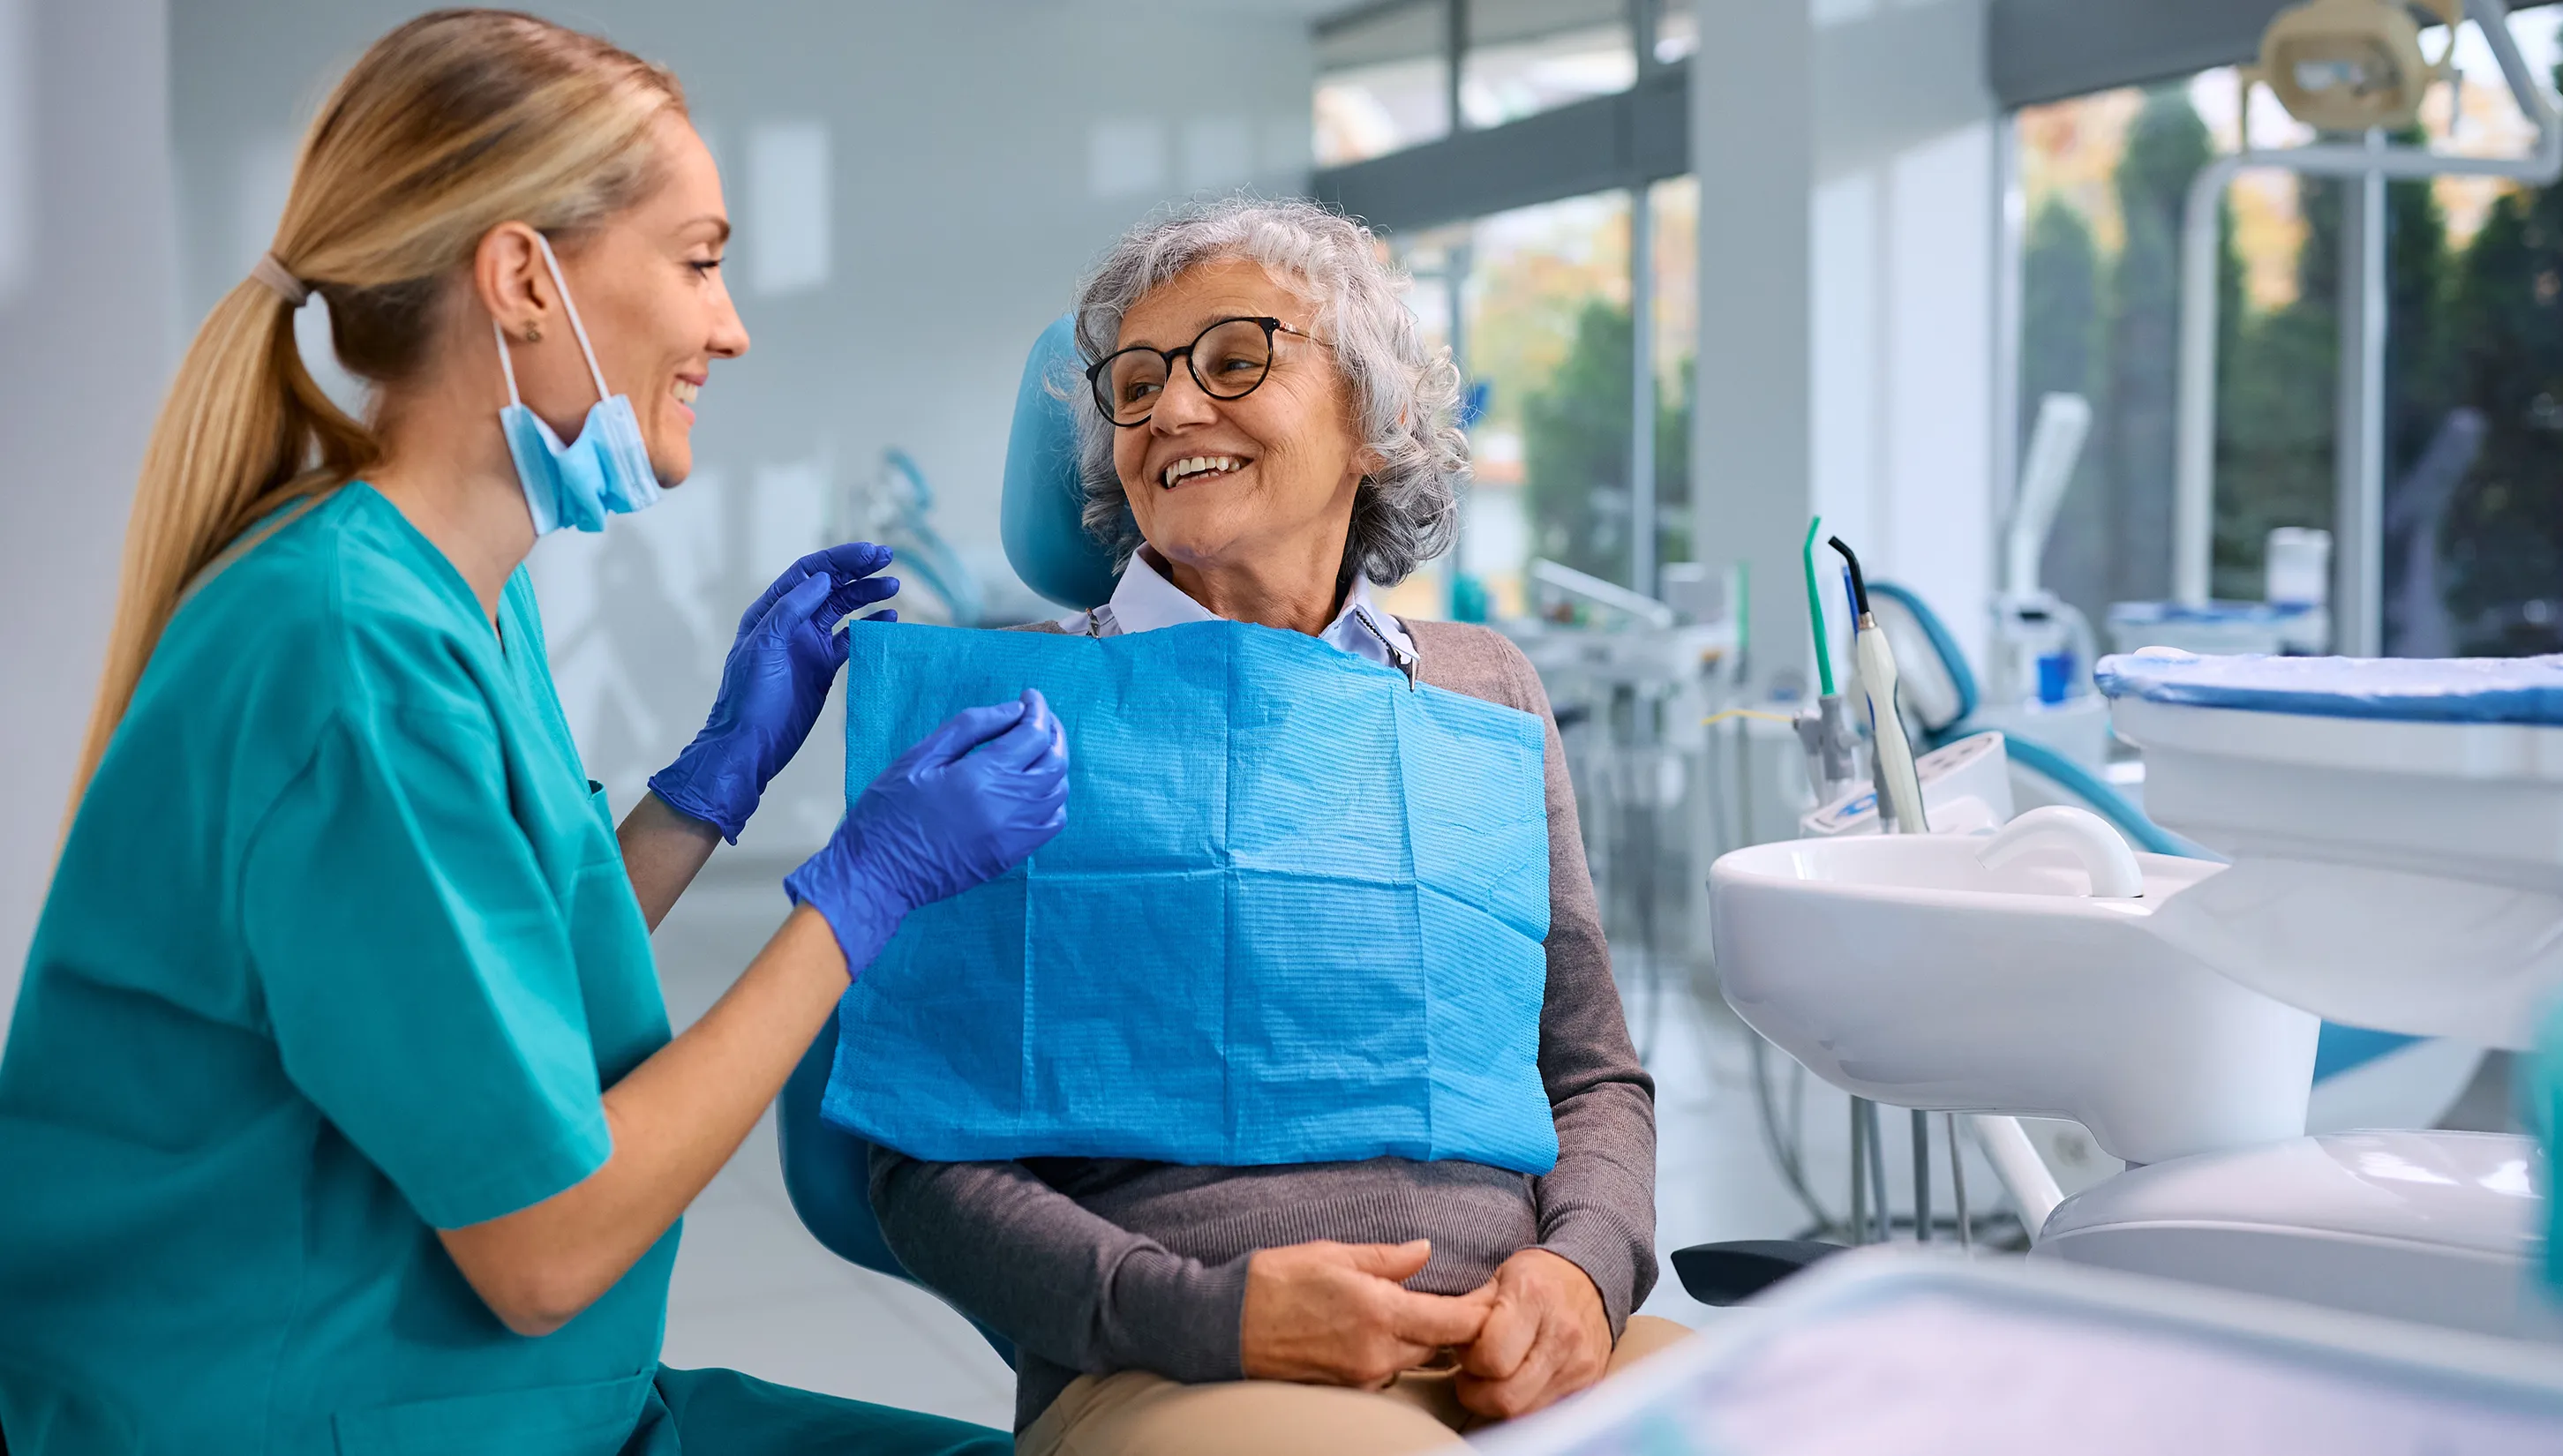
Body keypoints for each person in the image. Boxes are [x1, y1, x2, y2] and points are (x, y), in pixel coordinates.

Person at [0, 12, 1064, 1454]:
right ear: (521, 279)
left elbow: (478, 1004)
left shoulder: (439, 596)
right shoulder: (348, 650)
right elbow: (550, 1247)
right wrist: (861, 892)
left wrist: (707, 788)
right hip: (304, 1413)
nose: (730, 323)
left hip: (472, 1398)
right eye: (698, 260)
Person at [868, 198, 1685, 1456]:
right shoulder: (1008, 711)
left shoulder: (1484, 690)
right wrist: (1207, 1314)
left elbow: (1591, 1075)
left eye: (1235, 359)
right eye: (1134, 386)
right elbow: (917, 1161)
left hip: (1511, 1329)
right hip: (1180, 1364)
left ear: (1376, 415)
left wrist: (1583, 1273)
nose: (1173, 411)